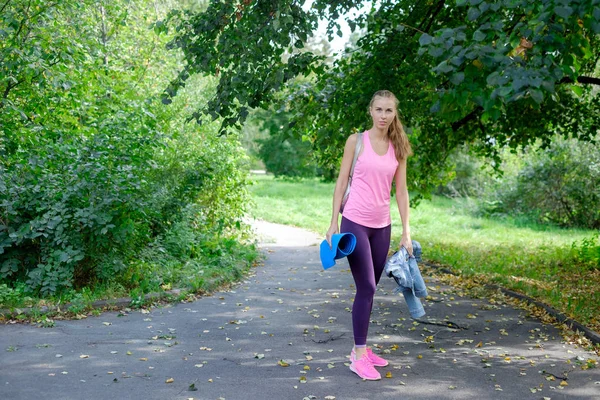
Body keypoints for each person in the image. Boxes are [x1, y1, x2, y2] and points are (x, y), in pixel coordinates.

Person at [326, 89, 413, 381]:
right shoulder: (357, 141)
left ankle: (361, 349)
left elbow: (401, 191)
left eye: (389, 111)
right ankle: (358, 355)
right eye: (379, 110)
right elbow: (341, 181)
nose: (383, 116)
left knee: (370, 287)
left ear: (394, 113)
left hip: (382, 226)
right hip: (354, 222)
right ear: (370, 110)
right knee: (367, 287)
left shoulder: (397, 146)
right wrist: (332, 223)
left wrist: (406, 231)